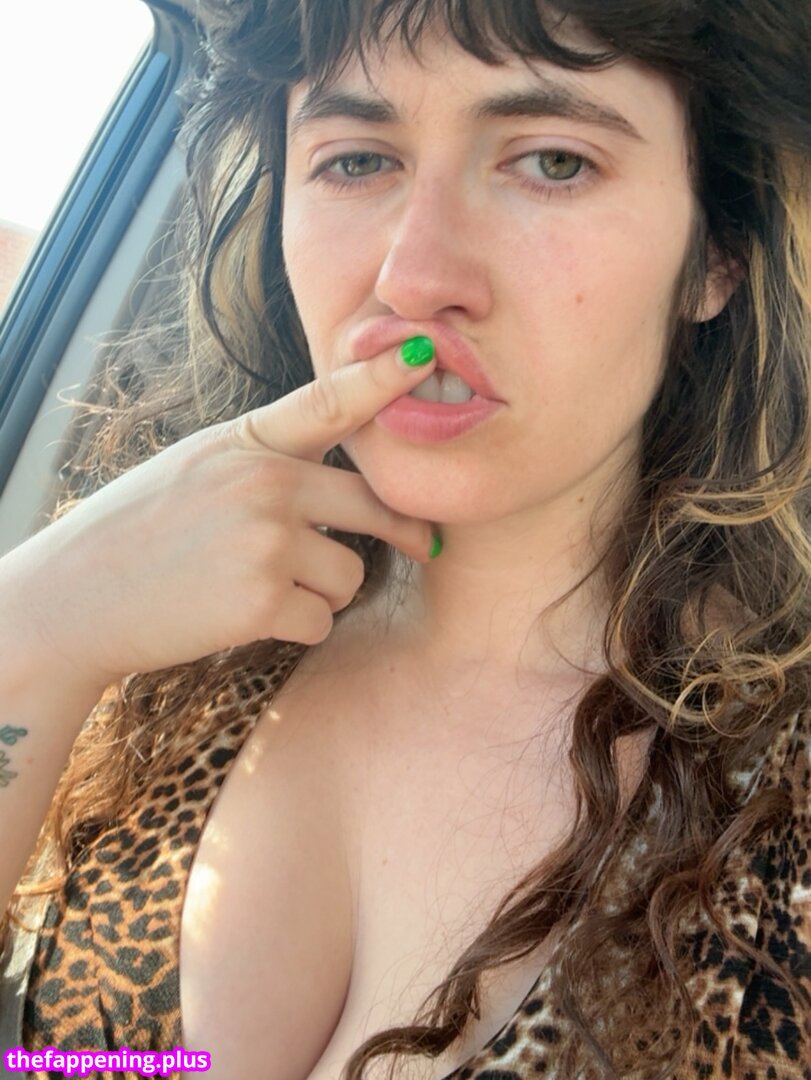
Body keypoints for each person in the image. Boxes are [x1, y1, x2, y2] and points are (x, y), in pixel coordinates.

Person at [1, 0, 811, 1077]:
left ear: (717, 251)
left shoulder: (784, 788)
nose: (416, 277)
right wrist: (36, 622)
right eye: (355, 161)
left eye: (553, 162)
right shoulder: (168, 649)